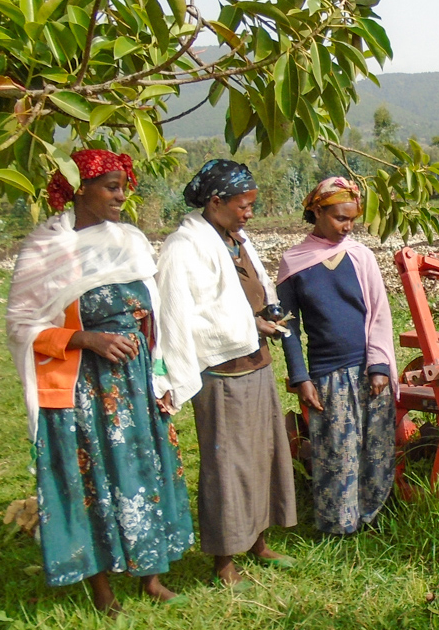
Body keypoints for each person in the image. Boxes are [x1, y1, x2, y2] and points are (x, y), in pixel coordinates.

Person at [6, 150, 192, 615]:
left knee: (143, 473)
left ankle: (151, 575)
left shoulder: (129, 240)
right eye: (111, 186)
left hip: (134, 384)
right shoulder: (48, 249)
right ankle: (102, 589)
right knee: (92, 481)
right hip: (84, 391)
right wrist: (84, 338)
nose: (121, 195)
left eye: (123, 185)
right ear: (79, 189)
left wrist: (160, 371)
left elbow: (151, 313)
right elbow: (21, 325)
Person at [154, 159, 297, 588]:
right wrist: (252, 325)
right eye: (243, 205)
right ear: (215, 202)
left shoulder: (237, 240)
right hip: (220, 371)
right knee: (226, 465)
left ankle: (258, 540)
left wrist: (264, 315)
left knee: (263, 454)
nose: (249, 212)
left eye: (252, 205)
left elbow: (250, 293)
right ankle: (223, 561)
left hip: (255, 363)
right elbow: (181, 315)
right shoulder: (184, 247)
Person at [275, 176, 398, 535]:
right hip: (327, 372)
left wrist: (378, 365)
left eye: (352, 220)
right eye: (340, 218)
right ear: (316, 211)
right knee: (336, 454)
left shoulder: (360, 257)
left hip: (367, 368)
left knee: (375, 449)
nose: (347, 227)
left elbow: (379, 312)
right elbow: (288, 326)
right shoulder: (294, 263)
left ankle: (371, 514)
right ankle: (338, 525)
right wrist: (301, 377)